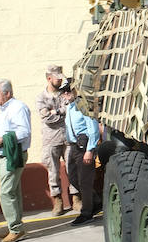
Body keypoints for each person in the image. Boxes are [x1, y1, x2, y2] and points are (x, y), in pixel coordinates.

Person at [0, 79, 31, 242]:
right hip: (6, 154)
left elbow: (23, 132)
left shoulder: (17, 107)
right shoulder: (4, 109)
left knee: (6, 192)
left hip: (13, 153)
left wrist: (2, 140)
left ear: (8, 93)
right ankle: (15, 226)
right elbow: (1, 134)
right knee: (13, 192)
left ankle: (16, 229)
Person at [61, 79, 101, 226]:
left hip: (84, 146)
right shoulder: (70, 107)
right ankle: (96, 202)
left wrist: (90, 150)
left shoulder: (83, 105)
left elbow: (93, 128)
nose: (65, 93)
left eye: (68, 90)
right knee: (73, 178)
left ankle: (87, 213)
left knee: (85, 181)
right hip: (74, 146)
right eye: (63, 91)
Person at [36, 65, 72, 216]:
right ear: (49, 78)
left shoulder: (65, 93)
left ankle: (76, 198)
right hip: (51, 138)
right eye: (57, 77)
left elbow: (68, 109)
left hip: (68, 136)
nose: (60, 79)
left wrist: (56, 111)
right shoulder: (41, 97)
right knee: (53, 171)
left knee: (72, 168)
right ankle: (57, 201)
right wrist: (60, 112)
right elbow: (46, 117)